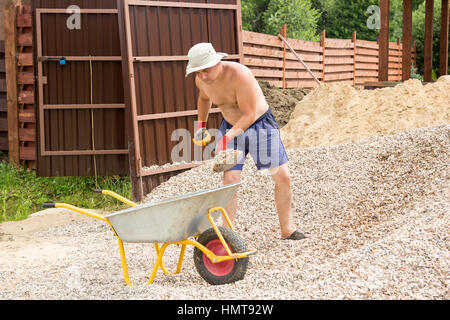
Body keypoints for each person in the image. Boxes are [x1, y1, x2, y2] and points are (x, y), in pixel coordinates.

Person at [186, 42, 307, 240]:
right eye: (198, 72)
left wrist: (225, 138)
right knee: (230, 181)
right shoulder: (202, 80)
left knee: (282, 177)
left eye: (206, 70)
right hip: (231, 126)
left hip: (259, 125)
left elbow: (249, 114)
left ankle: (287, 229)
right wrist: (201, 126)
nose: (203, 76)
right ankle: (229, 235)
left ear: (217, 62)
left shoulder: (240, 75)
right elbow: (204, 100)